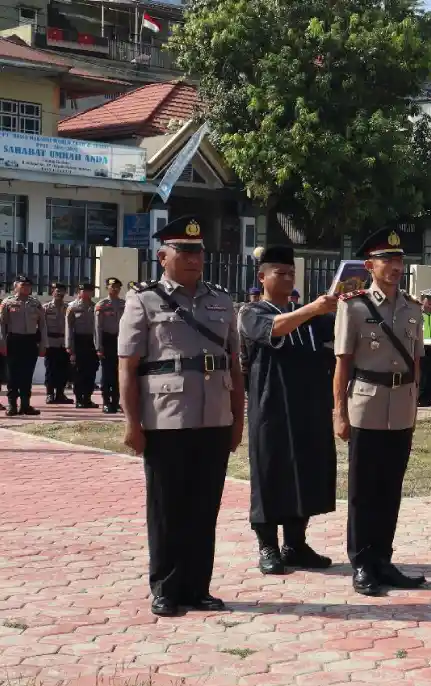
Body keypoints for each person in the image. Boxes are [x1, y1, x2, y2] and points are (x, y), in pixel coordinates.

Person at [117, 215, 244, 617]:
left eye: (198, 251)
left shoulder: (222, 300)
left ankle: (197, 587)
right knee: (167, 507)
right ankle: (166, 587)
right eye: (184, 251)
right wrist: (132, 423)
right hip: (166, 420)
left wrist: (237, 419)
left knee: (204, 508)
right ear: (162, 256)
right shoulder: (143, 300)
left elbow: (234, 364)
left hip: (214, 418)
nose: (193, 258)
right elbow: (127, 367)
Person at [333, 227, 425, 597]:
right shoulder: (353, 306)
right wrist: (339, 412)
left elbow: (416, 361)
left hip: (401, 406)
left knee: (390, 488)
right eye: (387, 260)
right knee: (363, 489)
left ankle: (383, 560)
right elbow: (343, 364)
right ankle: (362, 562)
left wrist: (414, 406)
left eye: (399, 259)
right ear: (370, 265)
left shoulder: (413, 308)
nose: (395, 266)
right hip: (366, 406)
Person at [239, 245, 338, 576]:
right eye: (280, 273)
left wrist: (347, 300)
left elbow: (339, 329)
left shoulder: (309, 316)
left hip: (309, 406)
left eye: (291, 273)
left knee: (306, 472)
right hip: (271, 408)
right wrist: (312, 308)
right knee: (270, 473)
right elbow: (276, 328)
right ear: (262, 277)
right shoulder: (252, 312)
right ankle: (267, 545)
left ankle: (296, 544)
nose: (287, 278)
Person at [1, 275, 44, 416]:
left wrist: (43, 344)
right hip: (13, 341)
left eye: (28, 285)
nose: (26, 287)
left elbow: (42, 326)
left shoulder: (36, 303)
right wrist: (2, 343)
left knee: (27, 374)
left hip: (30, 342)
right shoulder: (7, 303)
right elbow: (2, 325)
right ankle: (12, 405)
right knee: (13, 375)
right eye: (22, 285)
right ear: (15, 286)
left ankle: (25, 405)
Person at [65, 283, 100, 409]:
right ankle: (79, 399)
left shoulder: (96, 307)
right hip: (78, 341)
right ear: (79, 292)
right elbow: (68, 327)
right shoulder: (72, 307)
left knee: (91, 371)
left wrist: (99, 346)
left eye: (89, 291)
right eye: (83, 291)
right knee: (78, 372)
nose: (86, 293)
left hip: (92, 342)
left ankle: (88, 398)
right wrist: (69, 345)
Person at [95, 278, 125, 414]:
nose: (115, 289)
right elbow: (97, 328)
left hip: (120, 341)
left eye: (118, 287)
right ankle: (106, 402)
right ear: (107, 287)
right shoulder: (101, 305)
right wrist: (98, 346)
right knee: (107, 374)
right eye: (113, 287)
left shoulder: (124, 304)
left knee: (119, 373)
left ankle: (116, 401)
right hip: (107, 341)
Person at [42, 283, 72, 405]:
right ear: (52, 292)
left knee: (64, 370)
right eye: (57, 291)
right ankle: (50, 394)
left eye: (62, 291)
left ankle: (60, 393)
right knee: (50, 369)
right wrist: (42, 343)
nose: (59, 293)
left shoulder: (68, 308)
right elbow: (41, 327)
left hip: (64, 343)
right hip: (51, 342)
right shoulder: (45, 308)